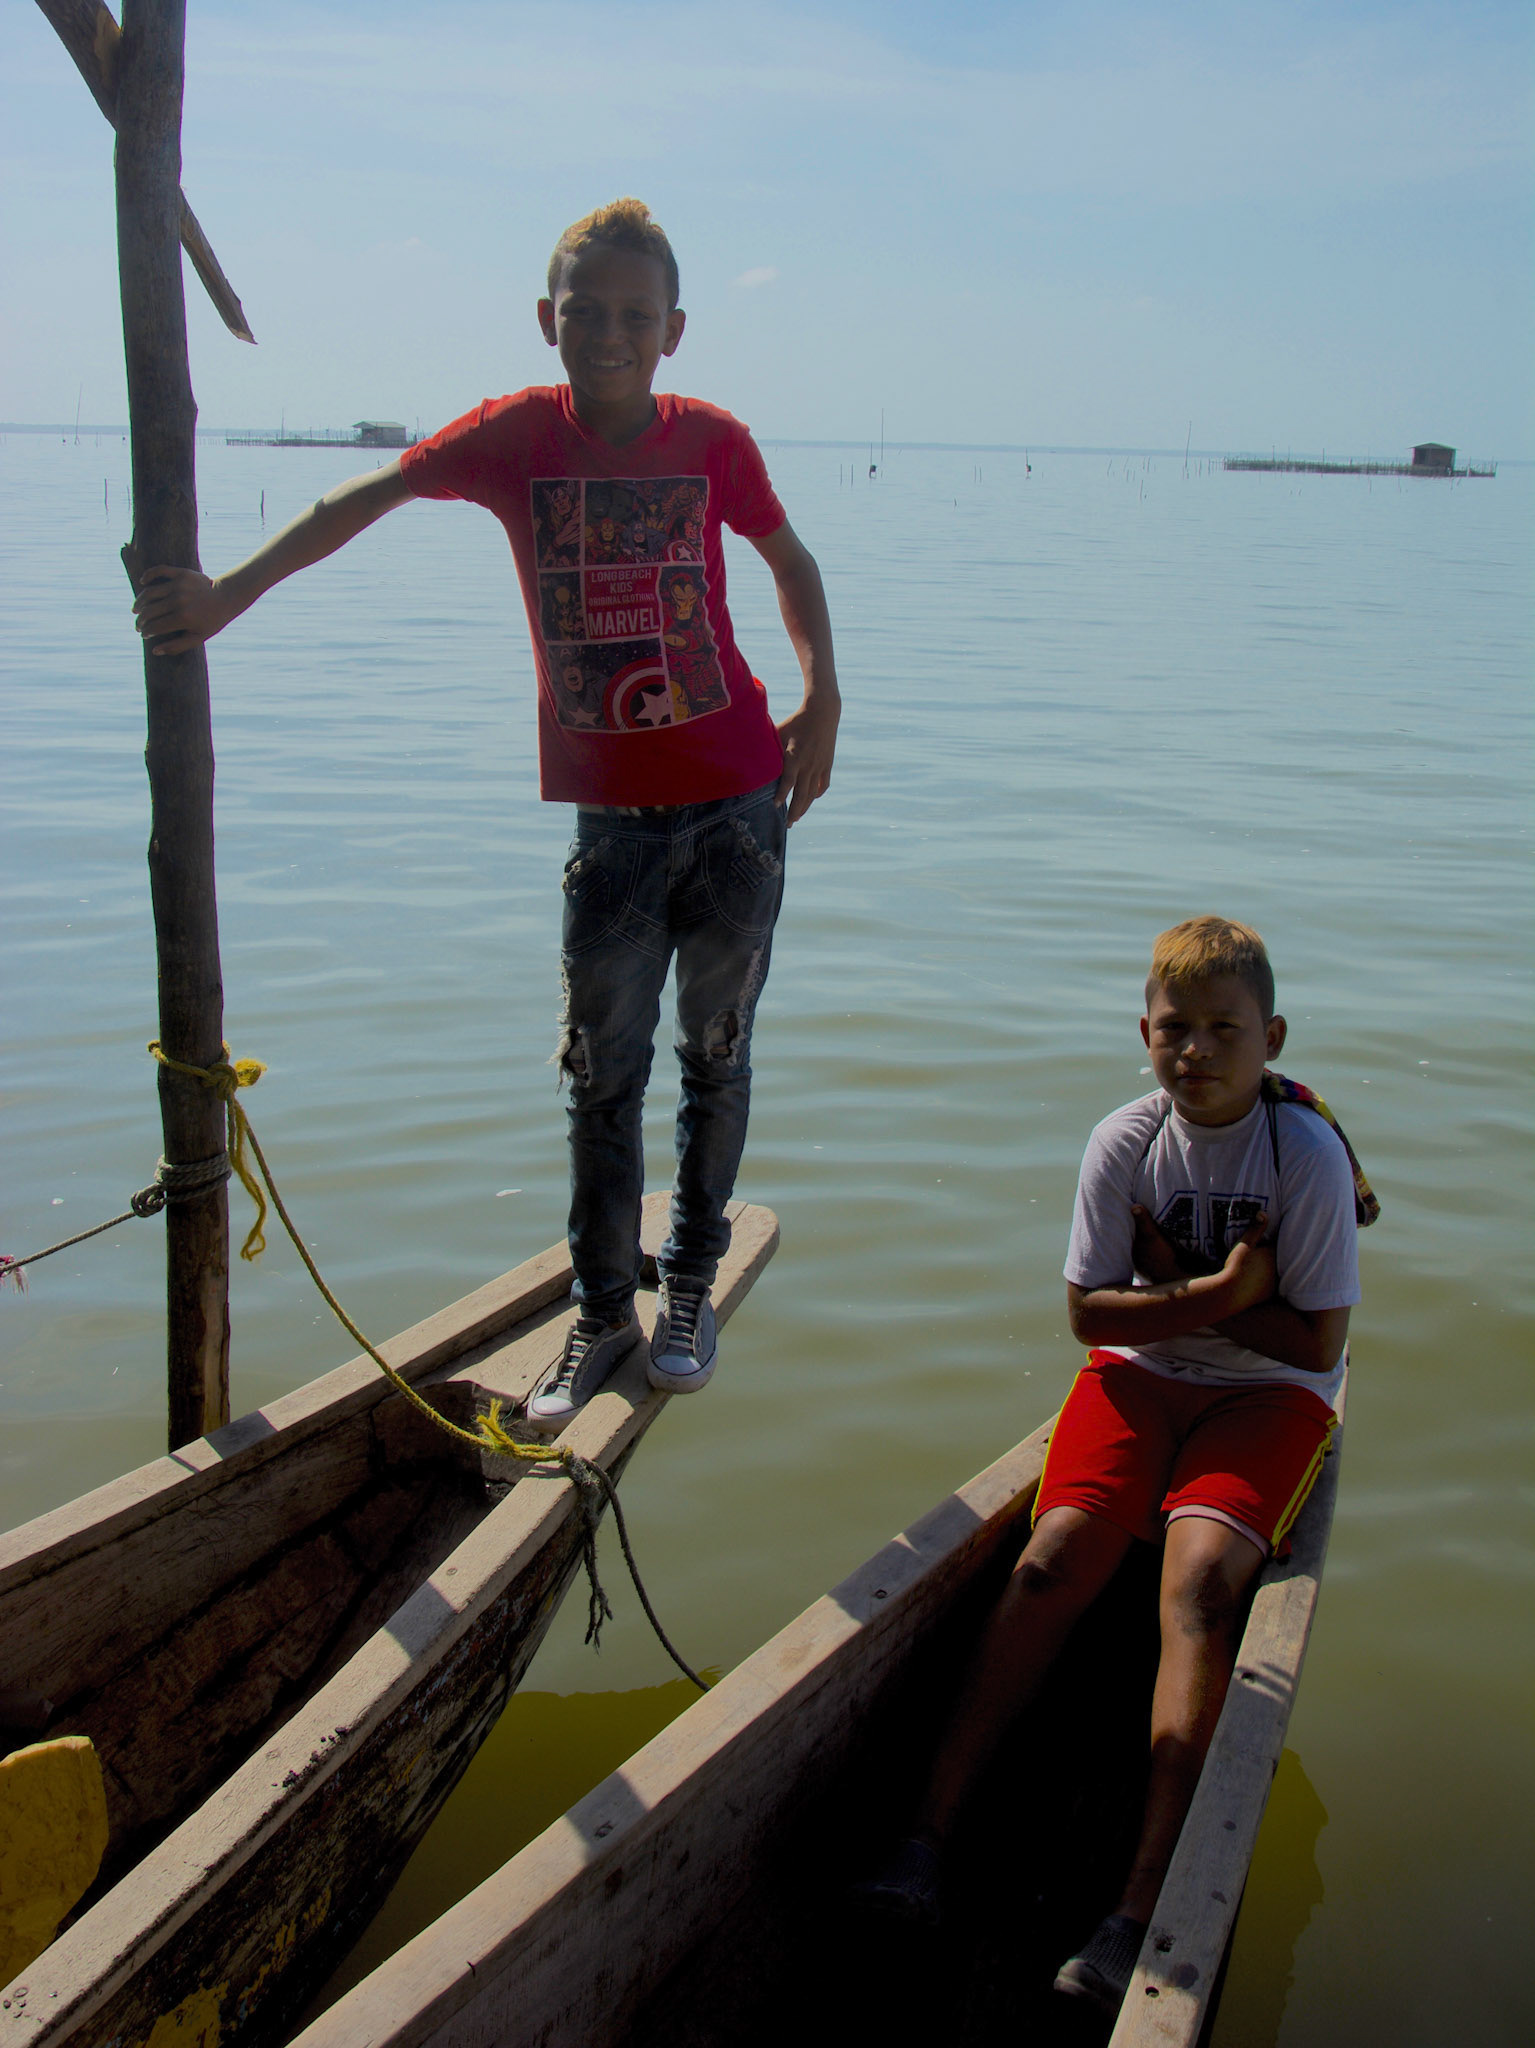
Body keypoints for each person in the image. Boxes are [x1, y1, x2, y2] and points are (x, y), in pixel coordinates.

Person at [132, 198, 840, 1430]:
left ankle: (689, 1287)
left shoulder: (712, 440)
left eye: (634, 316)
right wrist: (230, 593)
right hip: (612, 830)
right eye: (586, 313)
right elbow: (362, 499)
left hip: (736, 805)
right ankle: (601, 1310)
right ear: (545, 321)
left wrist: (825, 697)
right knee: (595, 1078)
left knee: (713, 1059)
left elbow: (791, 562)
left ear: (672, 331)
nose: (608, 334)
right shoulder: (515, 435)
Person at [858, 916, 1366, 2019]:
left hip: (1270, 1397)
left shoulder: (1306, 1158)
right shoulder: (1123, 1139)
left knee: (1191, 1586)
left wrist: (1180, 1295)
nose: (1194, 1051)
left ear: (1267, 1036)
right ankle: (923, 1835)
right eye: (1173, 1029)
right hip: (1140, 1370)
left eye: (1221, 1030)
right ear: (1142, 1032)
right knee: (1048, 1560)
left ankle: (1134, 1907)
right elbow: (1089, 1316)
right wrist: (1221, 1296)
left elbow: (1318, 1345)